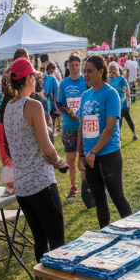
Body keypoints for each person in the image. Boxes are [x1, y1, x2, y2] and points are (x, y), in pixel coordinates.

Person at [2, 59, 91, 280]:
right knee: (58, 240)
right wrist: (62, 164)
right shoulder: (33, 105)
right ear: (29, 78)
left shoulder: (8, 107)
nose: (36, 79)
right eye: (34, 76)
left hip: (23, 187)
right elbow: (47, 150)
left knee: (40, 240)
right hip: (41, 183)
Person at [77, 56, 133, 227]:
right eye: (84, 71)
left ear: (101, 72)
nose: (85, 74)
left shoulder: (111, 94)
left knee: (117, 197)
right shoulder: (85, 95)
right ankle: (105, 236)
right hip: (89, 157)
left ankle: (133, 233)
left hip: (108, 153)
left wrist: (94, 151)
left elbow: (110, 127)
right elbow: (81, 127)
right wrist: (80, 154)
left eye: (90, 71)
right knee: (99, 201)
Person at [58, 54, 87, 201]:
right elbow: (60, 103)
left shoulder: (85, 80)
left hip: (84, 125)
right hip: (69, 126)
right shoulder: (64, 83)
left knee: (85, 156)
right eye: (72, 65)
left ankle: (86, 185)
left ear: (80, 66)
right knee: (70, 159)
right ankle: (73, 187)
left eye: (76, 65)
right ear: (68, 66)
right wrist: (71, 115)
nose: (74, 67)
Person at [107, 63, 137, 141]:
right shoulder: (115, 79)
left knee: (121, 121)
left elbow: (125, 90)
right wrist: (128, 101)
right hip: (120, 104)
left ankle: (124, 135)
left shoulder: (115, 80)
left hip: (119, 105)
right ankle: (132, 134)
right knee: (124, 120)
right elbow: (126, 91)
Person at [42, 62, 61, 136]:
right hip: (50, 101)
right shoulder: (53, 79)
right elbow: (54, 93)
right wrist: (56, 106)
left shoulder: (43, 77)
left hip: (43, 100)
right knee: (51, 120)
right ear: (52, 70)